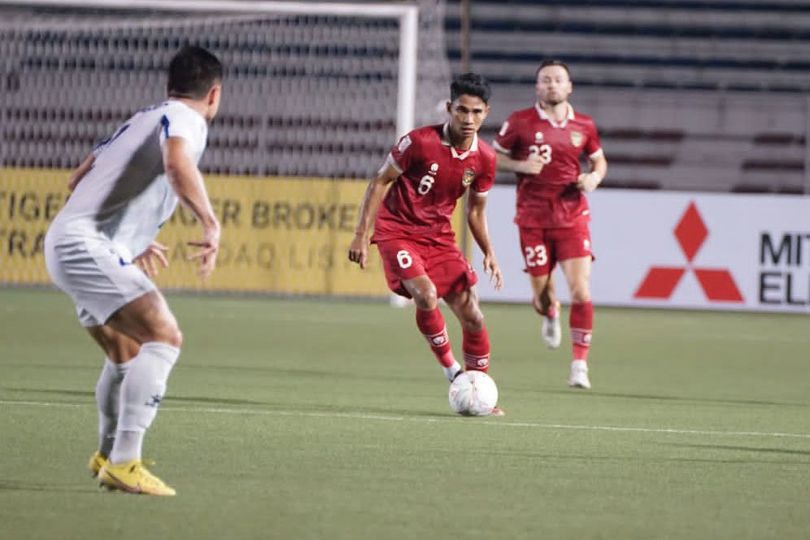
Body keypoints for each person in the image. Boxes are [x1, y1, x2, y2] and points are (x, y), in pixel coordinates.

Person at [44, 46, 223, 495]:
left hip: (73, 242)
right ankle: (125, 462)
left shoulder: (143, 117)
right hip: (86, 245)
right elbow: (177, 164)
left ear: (170, 85)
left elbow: (78, 177)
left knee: (124, 354)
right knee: (164, 337)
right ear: (214, 94)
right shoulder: (188, 119)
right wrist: (210, 221)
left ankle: (107, 456)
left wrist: (130, 235)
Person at [348, 73, 505, 414]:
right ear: (450, 108)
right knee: (426, 294)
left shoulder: (486, 159)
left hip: (438, 237)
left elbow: (475, 212)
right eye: (461, 110)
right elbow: (379, 181)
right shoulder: (418, 142)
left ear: (486, 113)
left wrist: (488, 251)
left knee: (474, 316)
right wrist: (362, 234)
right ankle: (452, 372)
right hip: (397, 231)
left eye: (476, 112)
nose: (468, 119)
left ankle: (477, 391)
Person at [494, 60, 607, 389]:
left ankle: (579, 366)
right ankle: (550, 312)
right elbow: (492, 155)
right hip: (532, 218)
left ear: (569, 86)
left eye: (558, 80)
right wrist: (522, 165)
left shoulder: (584, 125)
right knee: (543, 296)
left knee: (582, 290)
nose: (552, 85)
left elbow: (598, 159)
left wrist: (593, 178)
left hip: (572, 217)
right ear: (537, 87)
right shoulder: (519, 122)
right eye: (546, 80)